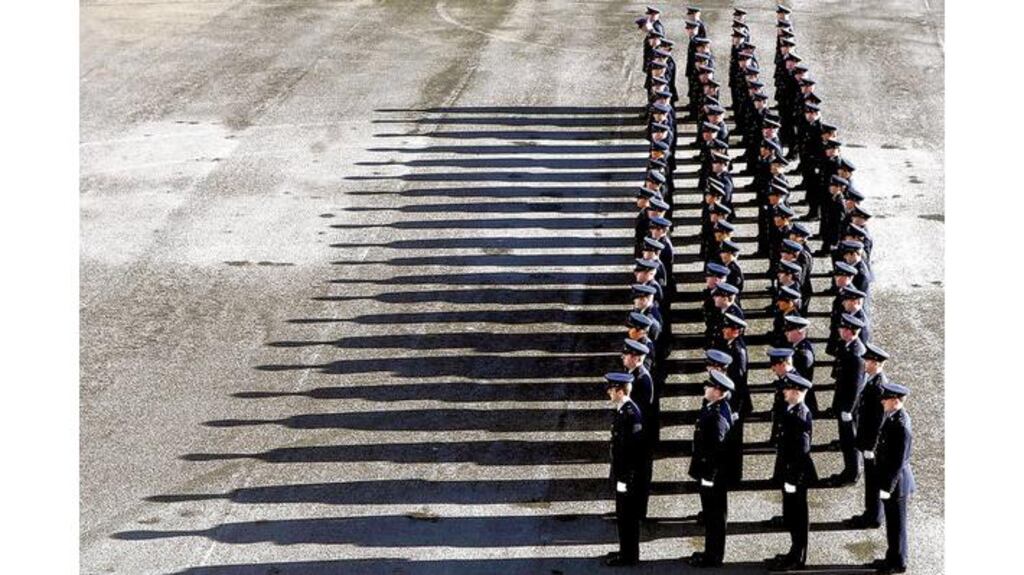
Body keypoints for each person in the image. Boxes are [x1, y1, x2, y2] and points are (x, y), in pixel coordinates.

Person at [768, 372, 817, 572]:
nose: (784, 392)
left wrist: (791, 478)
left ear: (797, 392)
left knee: (798, 517)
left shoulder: (800, 415)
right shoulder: (791, 409)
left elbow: (801, 452)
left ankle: (798, 557)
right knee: (793, 514)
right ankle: (794, 552)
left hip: (796, 474)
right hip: (790, 472)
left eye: (788, 389)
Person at [687, 371, 736, 568]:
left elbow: (717, 451)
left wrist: (709, 477)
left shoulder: (717, 416)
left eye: (709, 386)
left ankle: (713, 556)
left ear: (718, 391)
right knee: (712, 515)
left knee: (715, 516)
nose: (705, 388)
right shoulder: (713, 406)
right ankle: (711, 552)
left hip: (713, 476)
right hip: (710, 473)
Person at [868, 382, 915, 574]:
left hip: (897, 485)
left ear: (895, 401)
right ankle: (892, 556)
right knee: (892, 524)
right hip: (892, 481)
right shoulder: (894, 417)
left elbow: (897, 461)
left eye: (885, 399)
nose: (882, 402)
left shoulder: (901, 425)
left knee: (897, 526)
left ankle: (899, 562)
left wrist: (887, 487)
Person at [604, 372, 646, 567]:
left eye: (612, 389)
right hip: (622, 473)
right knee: (623, 516)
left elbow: (633, 451)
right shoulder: (623, 410)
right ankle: (625, 550)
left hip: (628, 477)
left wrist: (625, 479)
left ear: (621, 391)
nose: (608, 392)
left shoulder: (631, 414)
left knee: (628, 517)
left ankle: (629, 556)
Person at [850, 343, 890, 529]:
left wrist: (871, 447)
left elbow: (879, 421)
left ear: (876, 363)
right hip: (866, 438)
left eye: (868, 360)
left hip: (872, 444)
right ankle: (870, 512)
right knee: (870, 481)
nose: (865, 362)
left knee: (874, 482)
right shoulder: (872, 379)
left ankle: (874, 516)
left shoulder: (879, 386)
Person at [828, 313, 867, 486]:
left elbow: (856, 386)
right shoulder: (847, 347)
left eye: (843, 328)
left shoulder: (857, 355)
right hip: (843, 402)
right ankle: (848, 469)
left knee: (851, 441)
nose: (840, 330)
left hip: (849, 407)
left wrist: (848, 409)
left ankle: (853, 472)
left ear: (851, 331)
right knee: (845, 440)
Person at [621, 339, 655, 519]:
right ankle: (631, 508)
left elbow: (639, 412)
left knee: (639, 476)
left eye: (626, 355)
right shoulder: (632, 374)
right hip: (635, 434)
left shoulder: (642, 379)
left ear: (636, 358)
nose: (623, 357)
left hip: (640, 436)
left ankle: (638, 512)